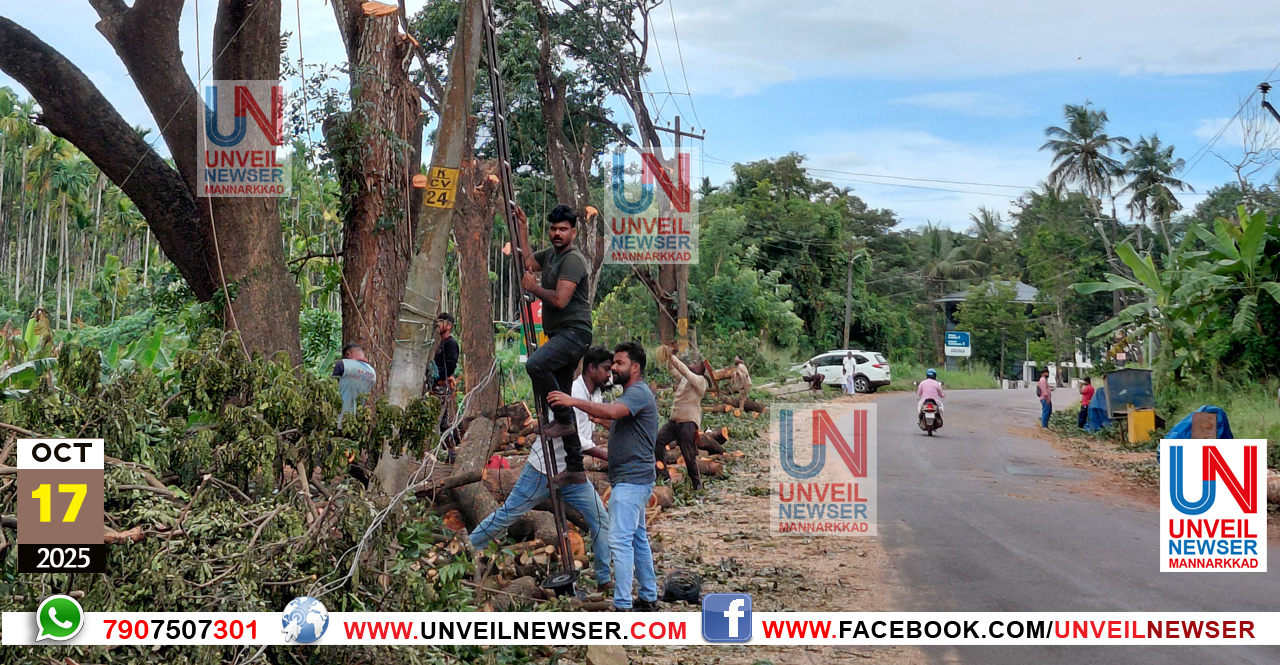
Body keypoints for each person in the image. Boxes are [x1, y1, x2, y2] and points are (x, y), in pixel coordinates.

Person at [470, 347, 614, 590]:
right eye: (606, 370)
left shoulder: (594, 394)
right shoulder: (573, 393)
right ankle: (469, 546)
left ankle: (604, 579)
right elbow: (580, 441)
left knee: (600, 518)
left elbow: (598, 421)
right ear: (591, 368)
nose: (609, 375)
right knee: (509, 513)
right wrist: (609, 457)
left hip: (572, 473)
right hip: (543, 469)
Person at [549, 342, 659, 612]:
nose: (614, 370)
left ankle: (622, 606)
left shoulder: (637, 393)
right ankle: (647, 596)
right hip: (634, 479)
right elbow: (614, 420)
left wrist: (573, 401)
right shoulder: (633, 396)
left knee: (620, 540)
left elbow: (612, 412)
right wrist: (592, 414)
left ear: (635, 367)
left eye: (619, 364)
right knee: (636, 539)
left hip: (631, 481)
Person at [516, 204, 594, 485]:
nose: (557, 233)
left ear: (573, 232)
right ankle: (575, 465)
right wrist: (523, 229)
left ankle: (562, 420)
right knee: (561, 394)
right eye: (553, 229)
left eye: (563, 229)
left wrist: (533, 288)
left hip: (574, 333)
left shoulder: (573, 260)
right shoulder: (550, 255)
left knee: (536, 364)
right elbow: (528, 264)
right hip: (560, 334)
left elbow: (560, 300)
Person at [656, 348, 709, 490]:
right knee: (658, 441)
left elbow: (684, 370)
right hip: (674, 421)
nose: (693, 363)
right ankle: (663, 475)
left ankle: (697, 485)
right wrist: (669, 358)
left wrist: (671, 356)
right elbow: (674, 371)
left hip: (688, 423)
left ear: (701, 370)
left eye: (696, 363)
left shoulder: (700, 381)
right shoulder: (686, 379)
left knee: (688, 454)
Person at [333, 343, 376, 424]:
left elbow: (331, 388)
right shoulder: (372, 371)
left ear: (348, 355)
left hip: (338, 418)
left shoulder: (343, 364)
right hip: (358, 419)